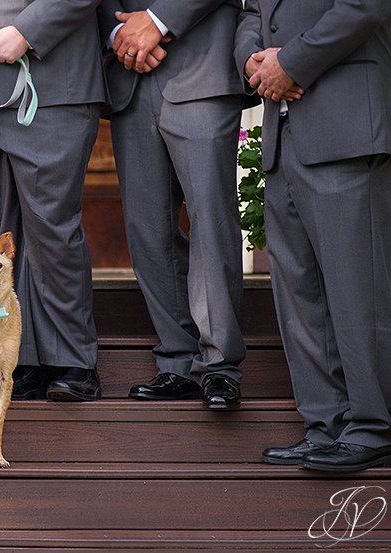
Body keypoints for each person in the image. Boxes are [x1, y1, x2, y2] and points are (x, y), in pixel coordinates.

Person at [238, 0, 391, 472]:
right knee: (300, 295)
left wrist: (291, 62)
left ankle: (373, 426)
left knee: (357, 289)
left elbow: (365, 6)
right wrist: (251, 58)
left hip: (344, 125)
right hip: (284, 136)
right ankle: (325, 424)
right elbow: (250, 12)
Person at [0, 0, 103, 401]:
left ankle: (71, 360)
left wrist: (27, 30)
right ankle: (19, 358)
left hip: (46, 77)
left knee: (50, 226)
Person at [99, 1, 247, 410]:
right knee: (148, 229)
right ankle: (178, 358)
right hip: (129, 71)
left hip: (202, 63)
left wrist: (158, 21)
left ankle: (219, 364)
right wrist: (119, 35)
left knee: (210, 219)